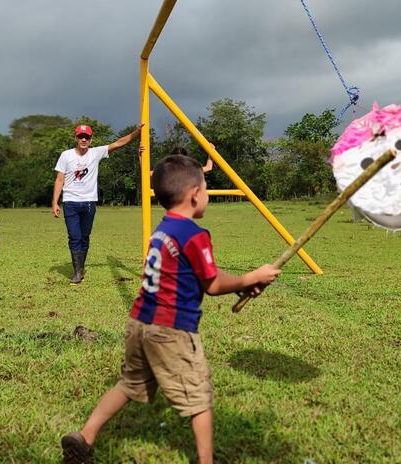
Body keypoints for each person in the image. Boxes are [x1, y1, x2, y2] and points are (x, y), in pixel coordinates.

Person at [60, 155, 281, 464]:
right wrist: (252, 277)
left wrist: (244, 285)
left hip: (140, 323)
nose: (206, 194)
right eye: (206, 188)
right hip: (171, 330)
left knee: (129, 384)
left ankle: (85, 437)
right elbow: (213, 284)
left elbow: (192, 277)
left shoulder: (162, 230)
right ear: (194, 194)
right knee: (199, 397)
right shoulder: (195, 235)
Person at [52, 123, 143, 284]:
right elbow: (60, 179)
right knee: (74, 236)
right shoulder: (66, 155)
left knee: (85, 236)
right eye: (80, 136)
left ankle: (80, 267)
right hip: (70, 202)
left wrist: (137, 132)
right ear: (76, 138)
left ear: (91, 139)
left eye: (87, 137)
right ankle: (77, 272)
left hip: (89, 202)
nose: (83, 139)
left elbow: (118, 143)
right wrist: (55, 202)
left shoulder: (96, 153)